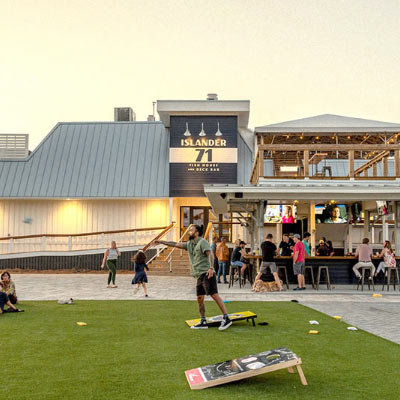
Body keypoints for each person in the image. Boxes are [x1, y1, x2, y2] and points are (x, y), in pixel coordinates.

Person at [155, 225, 232, 331]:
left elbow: (210, 255)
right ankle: (203, 321)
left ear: (196, 233)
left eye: (191, 230)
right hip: (199, 275)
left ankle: (226, 318)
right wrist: (161, 242)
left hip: (207, 273)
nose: (189, 232)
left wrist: (211, 268)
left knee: (214, 294)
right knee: (200, 298)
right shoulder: (189, 244)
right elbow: (175, 244)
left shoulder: (202, 242)